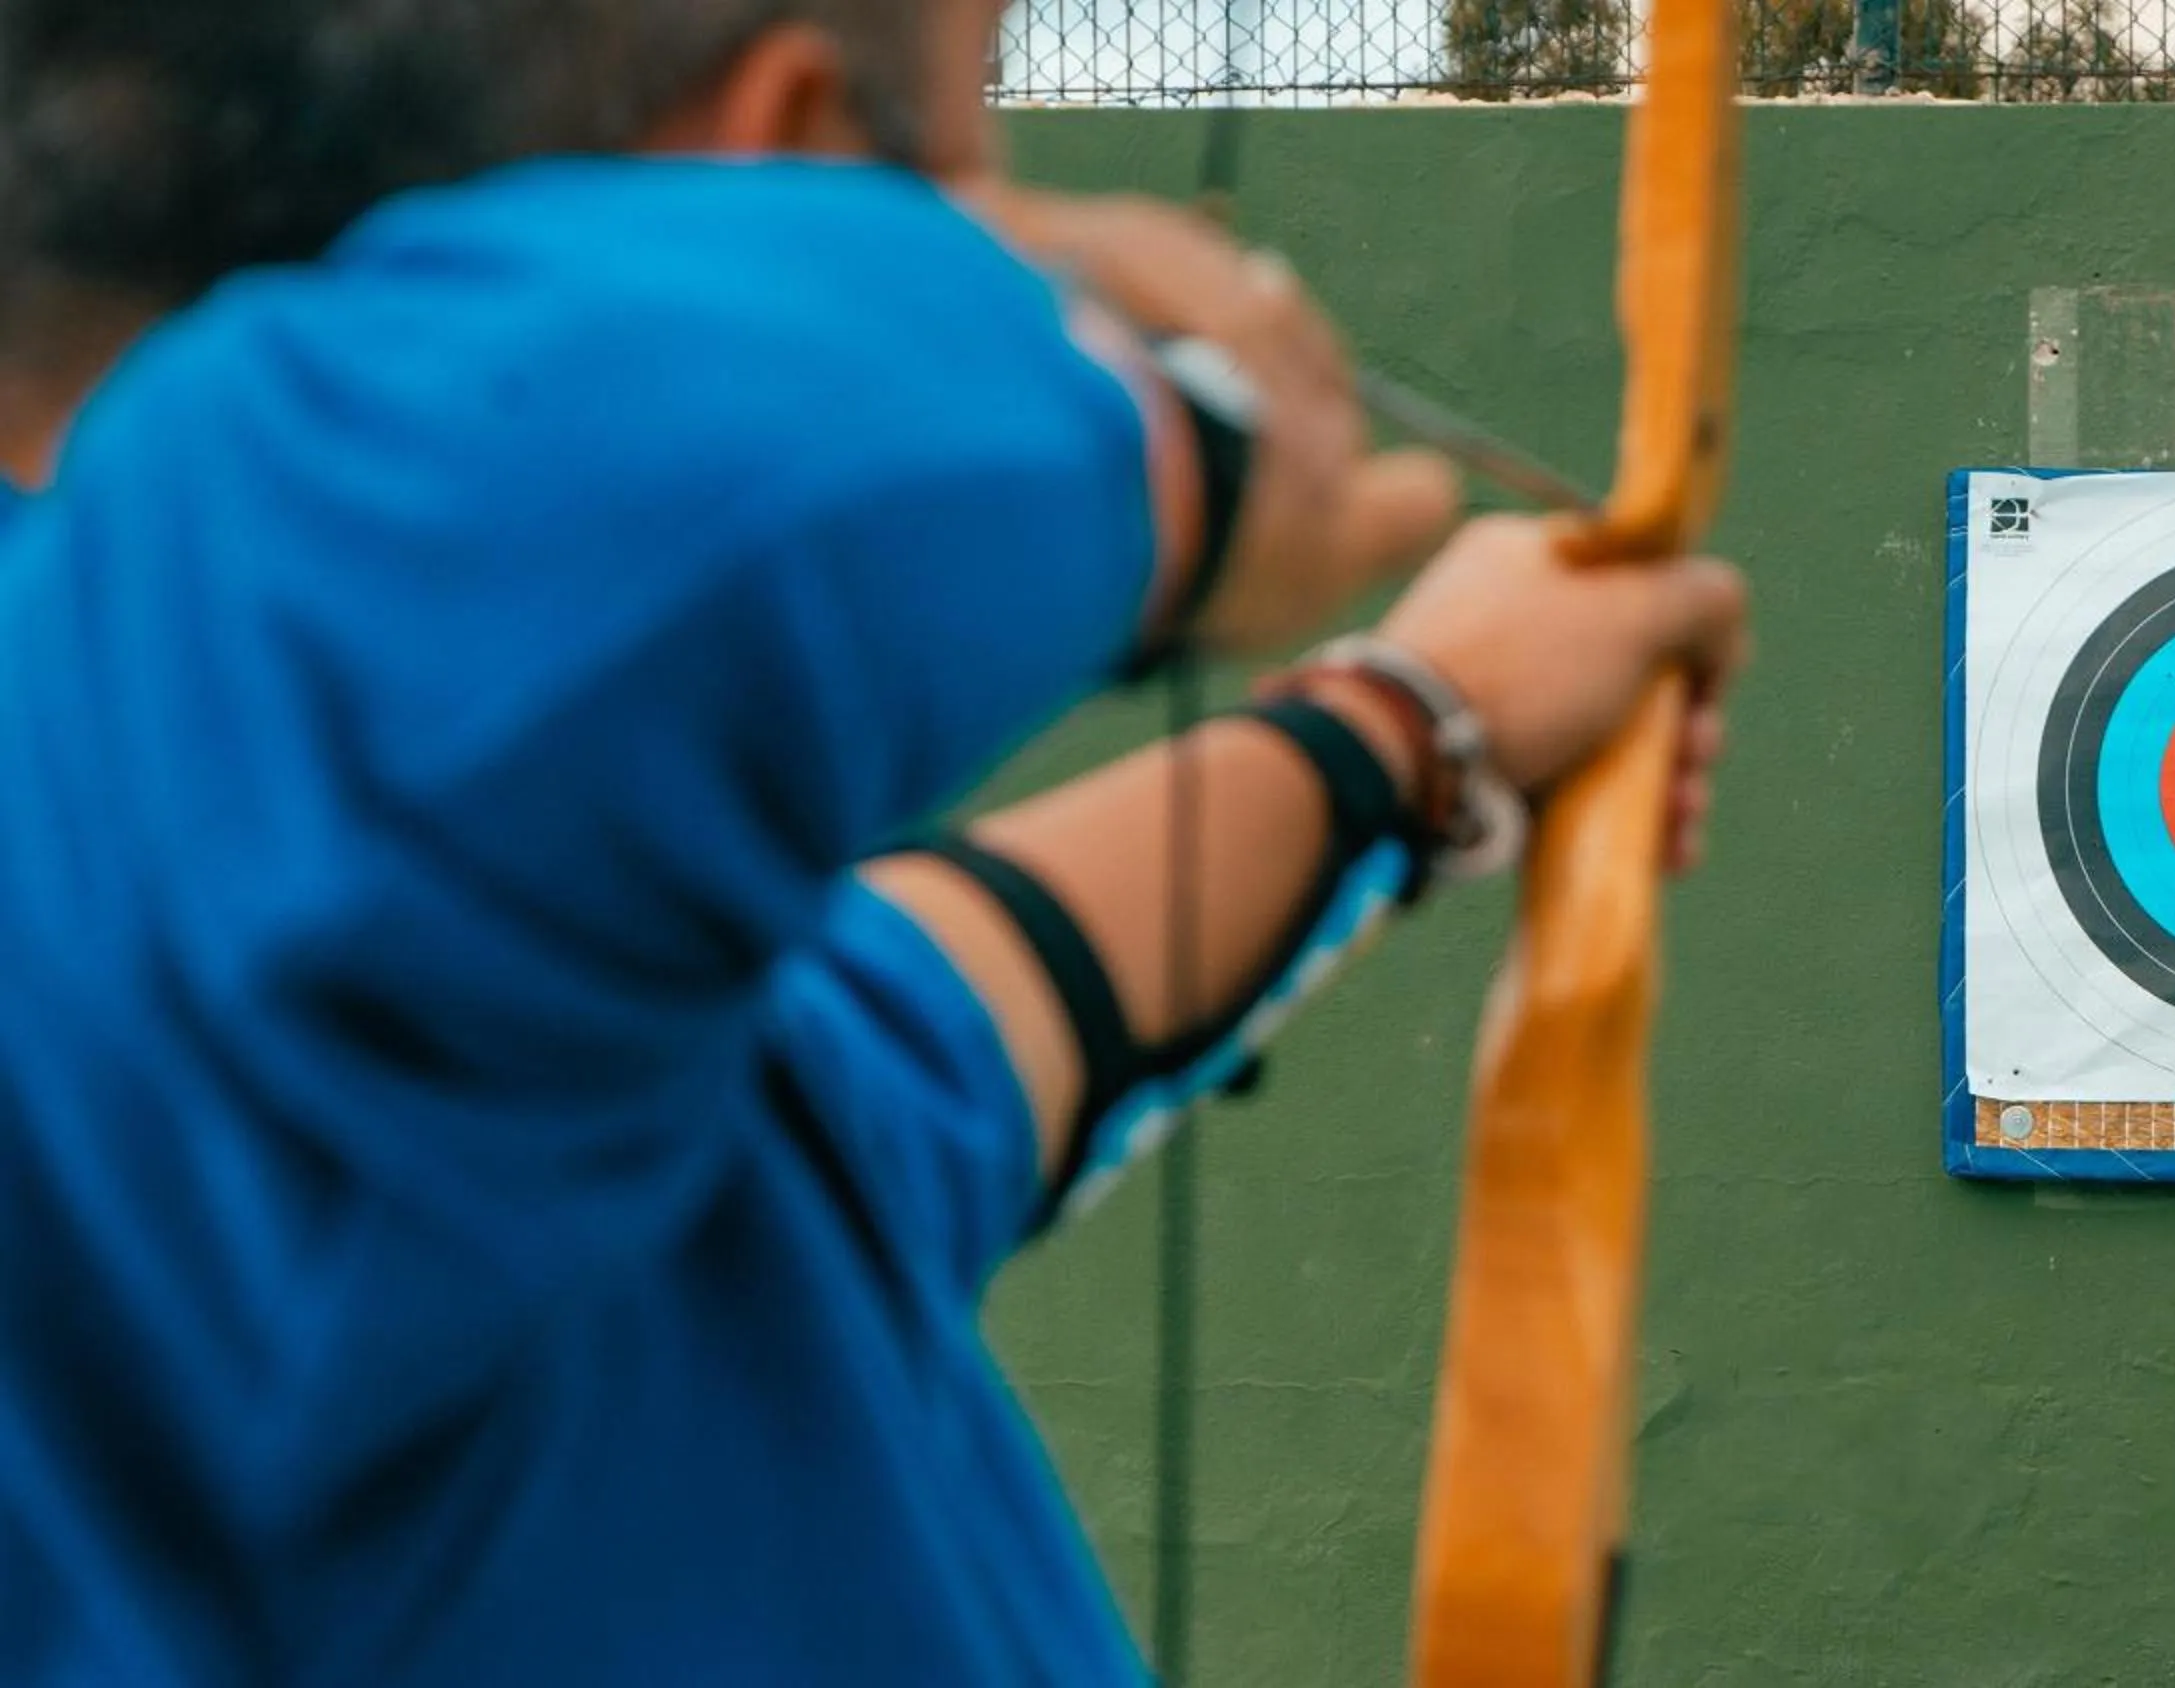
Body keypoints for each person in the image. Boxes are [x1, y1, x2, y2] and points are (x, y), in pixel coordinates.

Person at [0, 1, 1748, 1682]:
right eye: (980, 113)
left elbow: (893, 1056)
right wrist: (1204, 430)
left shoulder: (414, 1021)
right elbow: (700, 457)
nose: (1013, 201)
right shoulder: (191, 673)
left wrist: (1409, 726)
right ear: (785, 148)